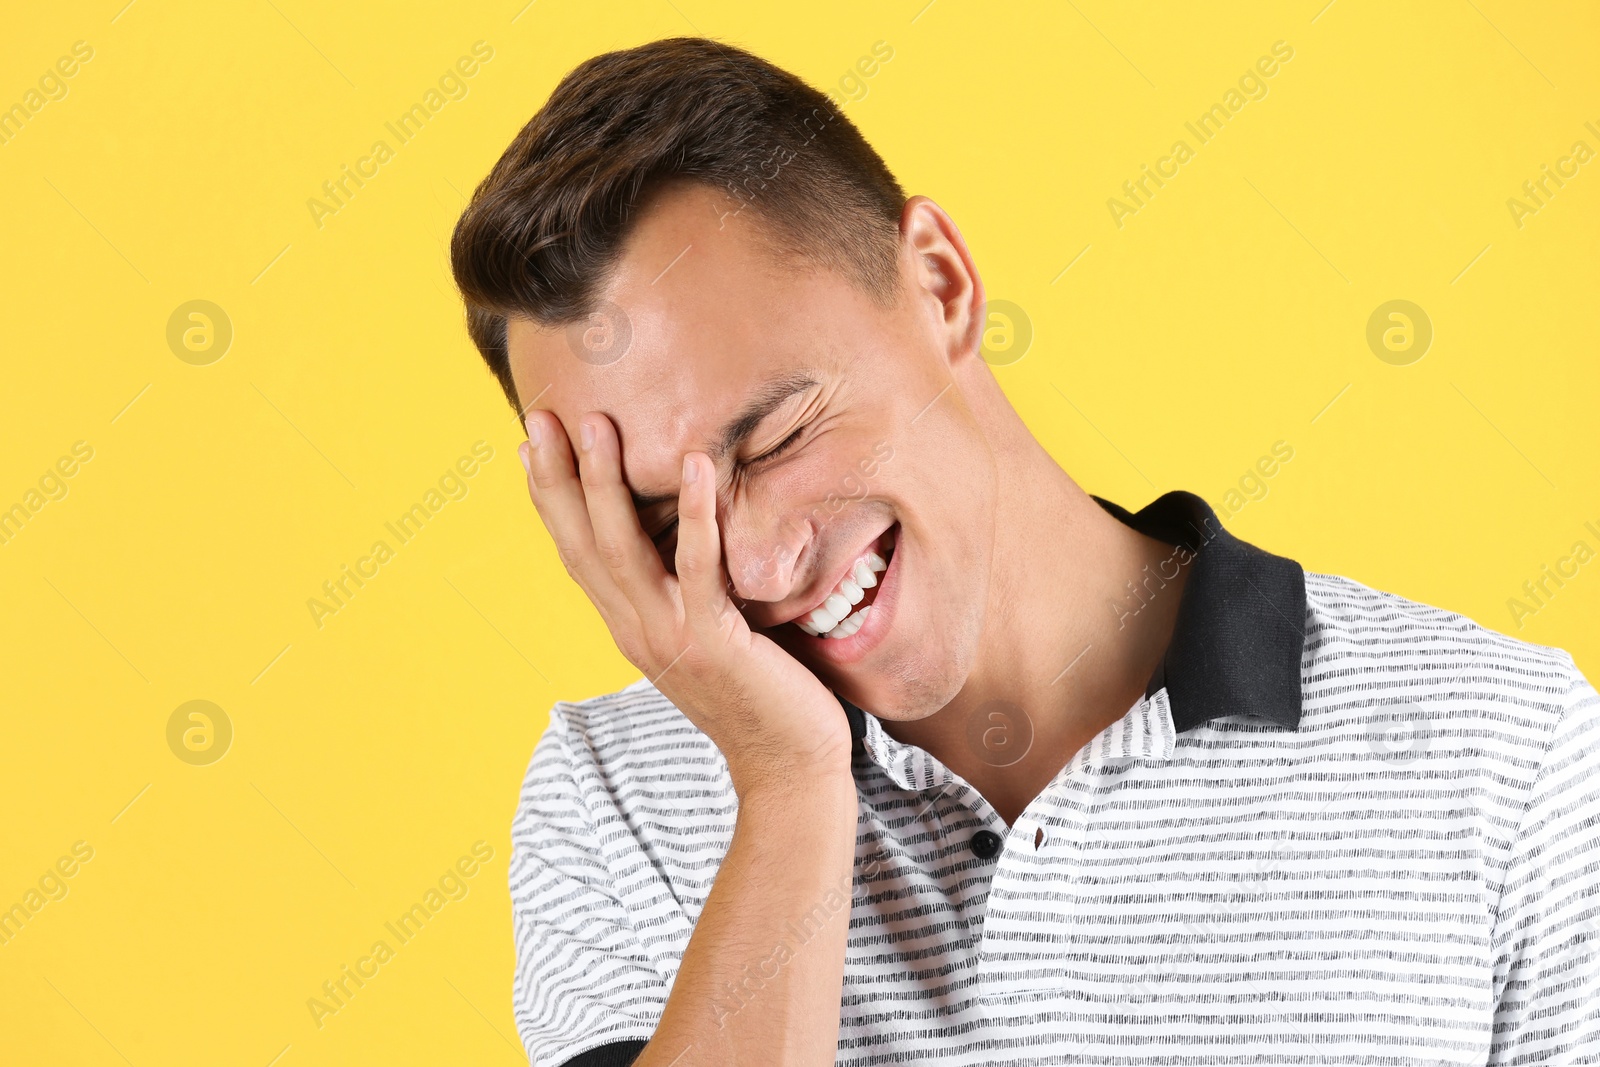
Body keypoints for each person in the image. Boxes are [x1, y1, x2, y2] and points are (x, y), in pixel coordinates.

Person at [449, 35, 1600, 1067]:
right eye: (665, 521)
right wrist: (787, 782)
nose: (753, 563)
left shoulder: (1508, 751)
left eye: (780, 434)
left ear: (939, 284)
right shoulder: (616, 795)